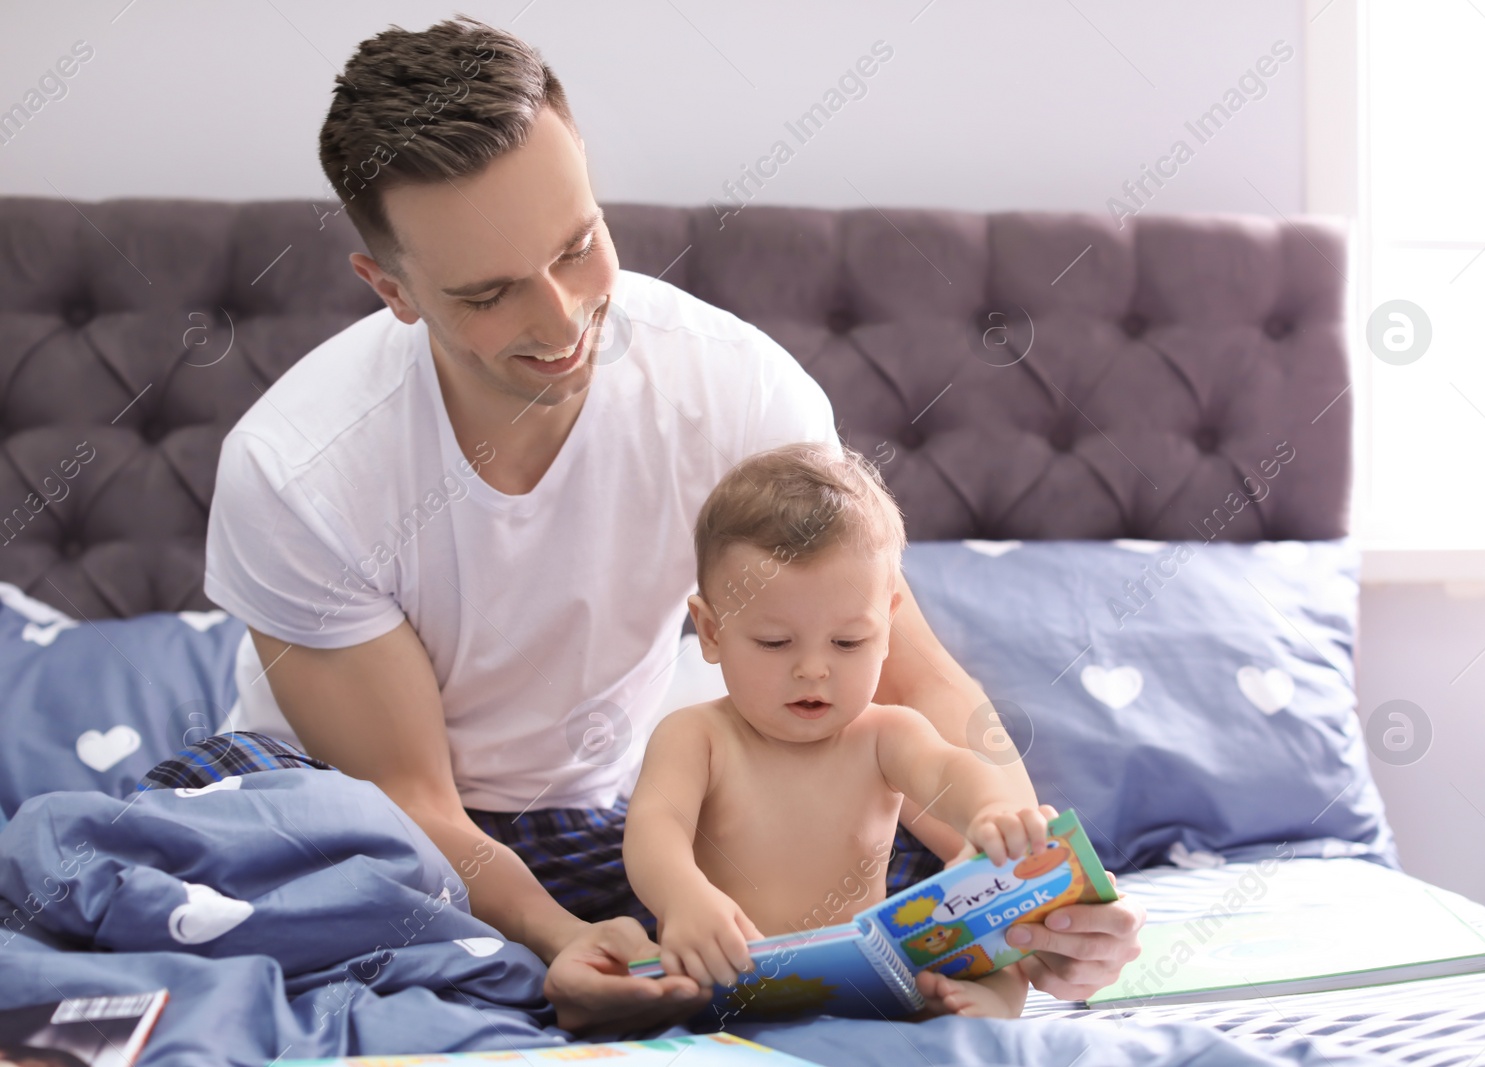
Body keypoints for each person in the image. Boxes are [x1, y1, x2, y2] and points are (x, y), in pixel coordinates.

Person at [165, 15, 1142, 1034]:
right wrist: (554, 938)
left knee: (873, 860)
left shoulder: (735, 392)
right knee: (206, 872)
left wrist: (1040, 887)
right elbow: (415, 799)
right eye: (490, 293)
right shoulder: (296, 469)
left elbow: (905, 675)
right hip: (371, 826)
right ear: (393, 291)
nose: (559, 319)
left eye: (578, 246)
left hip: (602, 827)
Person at [625, 442, 1060, 1018]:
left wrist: (991, 813)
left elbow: (949, 770)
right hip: (734, 969)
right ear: (710, 631)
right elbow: (654, 831)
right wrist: (684, 898)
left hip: (865, 973)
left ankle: (988, 1007)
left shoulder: (887, 735)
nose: (813, 669)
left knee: (981, 930)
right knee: (641, 988)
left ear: (886, 627)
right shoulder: (697, 737)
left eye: (849, 642)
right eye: (775, 643)